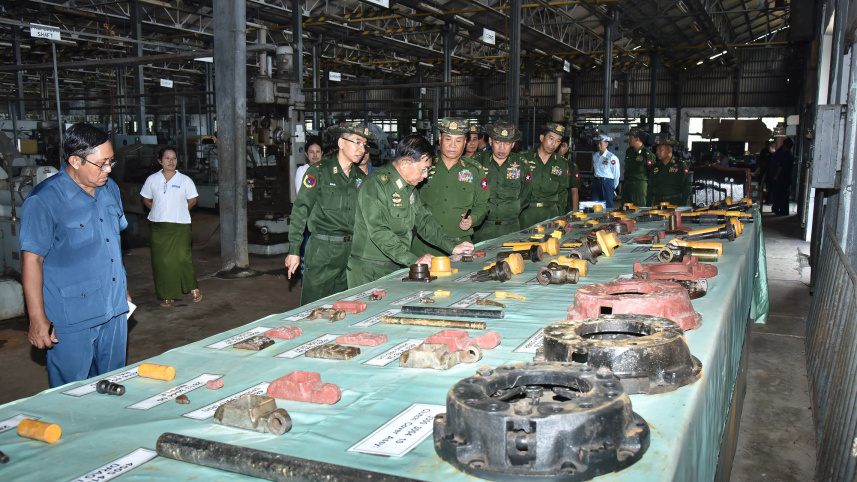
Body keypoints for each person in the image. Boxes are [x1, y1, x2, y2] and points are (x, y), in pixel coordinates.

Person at [20, 123, 131, 387]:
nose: (108, 169)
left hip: (114, 309)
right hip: (72, 316)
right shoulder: (44, 200)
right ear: (75, 160)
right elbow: (32, 260)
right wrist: (37, 319)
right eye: (102, 163)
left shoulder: (109, 189)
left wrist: (123, 288)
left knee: (113, 383)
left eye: (111, 161)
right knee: (72, 391)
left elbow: (113, 244)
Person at [346, 135, 475, 287]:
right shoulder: (375, 185)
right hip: (370, 270)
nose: (425, 175)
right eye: (423, 169)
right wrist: (414, 260)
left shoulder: (409, 187)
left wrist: (452, 246)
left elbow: (424, 221)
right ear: (405, 164)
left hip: (397, 265)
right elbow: (379, 231)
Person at [285, 122, 373, 305]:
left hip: (350, 252)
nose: (361, 149)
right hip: (323, 250)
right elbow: (301, 210)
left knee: (344, 306)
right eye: (356, 142)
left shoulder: (360, 178)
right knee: (313, 307)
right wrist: (294, 250)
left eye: (364, 144)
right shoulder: (319, 172)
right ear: (341, 143)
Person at [410, 118, 490, 256]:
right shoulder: (424, 166)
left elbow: (483, 205)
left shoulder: (475, 170)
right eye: (448, 139)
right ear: (440, 138)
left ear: (465, 142)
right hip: (425, 246)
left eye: (458, 140)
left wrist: (473, 219)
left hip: (460, 245)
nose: (452, 145)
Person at [140, 147, 201, 307]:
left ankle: (192, 287)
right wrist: (159, 211)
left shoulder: (185, 180)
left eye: (174, 158)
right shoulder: (152, 180)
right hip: (158, 226)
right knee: (163, 261)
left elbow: (192, 200)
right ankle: (167, 294)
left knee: (183, 257)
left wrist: (179, 211)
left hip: (180, 225)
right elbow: (146, 199)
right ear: (160, 161)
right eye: (167, 158)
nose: (171, 161)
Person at [472, 121, 532, 242]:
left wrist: (512, 209)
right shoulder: (477, 162)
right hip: (482, 229)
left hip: (511, 229)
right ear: (490, 141)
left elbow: (526, 194)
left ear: (513, 144)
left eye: (507, 143)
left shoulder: (522, 164)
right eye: (498, 142)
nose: (502, 148)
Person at [519, 123, 579, 228]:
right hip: (527, 213)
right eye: (551, 139)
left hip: (551, 214)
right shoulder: (523, 158)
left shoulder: (562, 163)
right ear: (542, 138)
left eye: (558, 141)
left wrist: (559, 215)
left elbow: (563, 192)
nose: (553, 144)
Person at [648, 138, 692, 206]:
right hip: (658, 203)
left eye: (661, 149)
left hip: (675, 203)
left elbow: (686, 186)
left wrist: (684, 205)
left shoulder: (680, 165)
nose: (657, 152)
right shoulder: (655, 167)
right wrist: (648, 205)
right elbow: (650, 188)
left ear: (669, 150)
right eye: (657, 150)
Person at [623, 128, 655, 207]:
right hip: (627, 185)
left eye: (630, 137)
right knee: (625, 209)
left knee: (640, 209)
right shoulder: (629, 151)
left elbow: (652, 174)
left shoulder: (647, 154)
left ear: (637, 139)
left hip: (639, 186)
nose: (628, 140)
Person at [590, 134, 621, 209]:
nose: (599, 145)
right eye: (598, 143)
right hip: (596, 181)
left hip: (607, 182)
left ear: (607, 144)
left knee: (608, 205)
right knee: (594, 204)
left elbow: (616, 175)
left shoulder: (612, 157)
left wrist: (612, 187)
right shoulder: (595, 156)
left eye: (601, 143)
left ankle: (610, 219)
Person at [770, 137, 795, 216]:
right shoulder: (788, 154)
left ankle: (782, 210)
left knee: (781, 195)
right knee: (783, 195)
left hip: (782, 178)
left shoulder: (785, 155)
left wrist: (776, 175)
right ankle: (782, 210)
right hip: (786, 178)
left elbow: (780, 166)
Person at [757, 140, 775, 204]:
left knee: (770, 186)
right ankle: (762, 197)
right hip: (764, 170)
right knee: (762, 184)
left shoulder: (773, 154)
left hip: (770, 172)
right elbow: (760, 160)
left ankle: (769, 200)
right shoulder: (764, 151)